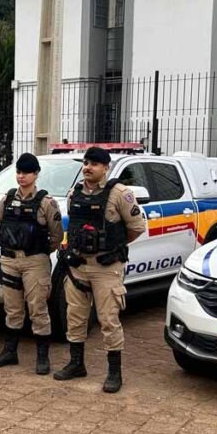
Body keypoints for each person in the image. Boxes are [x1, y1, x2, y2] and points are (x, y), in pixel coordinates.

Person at [55, 146, 147, 393]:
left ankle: (114, 373)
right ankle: (76, 364)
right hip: (78, 266)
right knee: (75, 316)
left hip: (107, 267)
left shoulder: (120, 194)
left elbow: (137, 227)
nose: (88, 167)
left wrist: (113, 246)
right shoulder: (75, 193)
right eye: (86, 163)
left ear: (105, 167)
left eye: (94, 164)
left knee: (108, 319)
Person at [0, 153, 64, 373]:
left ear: (36, 174)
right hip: (10, 260)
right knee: (12, 308)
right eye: (19, 172)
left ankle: (42, 357)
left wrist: (39, 252)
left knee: (38, 308)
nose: (21, 177)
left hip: (35, 261)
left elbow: (56, 235)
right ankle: (10, 352)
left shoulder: (46, 203)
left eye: (26, 172)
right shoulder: (7, 199)